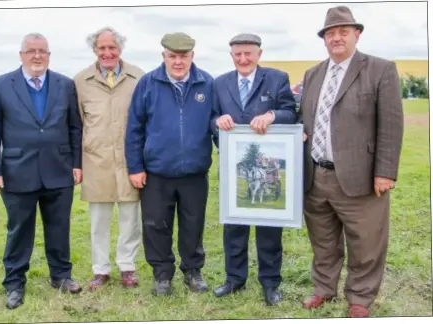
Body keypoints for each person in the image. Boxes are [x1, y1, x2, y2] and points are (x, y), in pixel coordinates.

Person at [298, 6, 403, 318]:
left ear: (357, 34)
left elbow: (391, 124)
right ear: (324, 40)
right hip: (316, 175)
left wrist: (384, 171)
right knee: (323, 240)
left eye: (343, 31)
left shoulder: (380, 70)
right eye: (330, 33)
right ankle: (323, 289)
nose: (336, 37)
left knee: (366, 242)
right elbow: (304, 118)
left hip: (361, 176)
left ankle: (359, 297)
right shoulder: (313, 74)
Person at [0, 33, 83, 310]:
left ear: (49, 55)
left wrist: (76, 163)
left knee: (59, 227)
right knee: (19, 230)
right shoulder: (0, 85)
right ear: (21, 54)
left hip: (59, 170)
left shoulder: (64, 84)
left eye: (42, 51)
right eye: (31, 51)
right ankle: (14, 283)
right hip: (17, 171)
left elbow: (75, 127)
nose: (37, 56)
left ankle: (61, 276)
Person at [210, 33, 298, 305]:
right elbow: (211, 119)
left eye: (248, 53)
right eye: (238, 54)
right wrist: (219, 120)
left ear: (259, 54)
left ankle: (270, 282)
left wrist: (271, 115)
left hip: (266, 161)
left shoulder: (276, 78)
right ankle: (234, 279)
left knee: (269, 226)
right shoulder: (220, 83)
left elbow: (290, 112)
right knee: (234, 225)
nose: (243, 59)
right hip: (234, 165)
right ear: (231, 56)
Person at [125, 32, 214, 296]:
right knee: (156, 225)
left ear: (192, 56)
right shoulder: (147, 83)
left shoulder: (207, 83)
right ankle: (162, 274)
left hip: (195, 172)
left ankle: (193, 271)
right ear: (163, 55)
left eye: (183, 56)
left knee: (193, 224)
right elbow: (134, 128)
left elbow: (218, 122)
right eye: (172, 56)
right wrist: (135, 167)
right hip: (156, 172)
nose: (178, 61)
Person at [73, 27, 145, 291]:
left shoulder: (138, 77)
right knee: (99, 221)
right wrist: (77, 163)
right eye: (102, 48)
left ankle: (127, 266)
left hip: (130, 161)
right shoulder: (80, 81)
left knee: (130, 217)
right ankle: (100, 270)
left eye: (112, 48)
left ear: (120, 50)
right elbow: (77, 124)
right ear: (95, 51)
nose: (107, 53)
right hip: (97, 160)